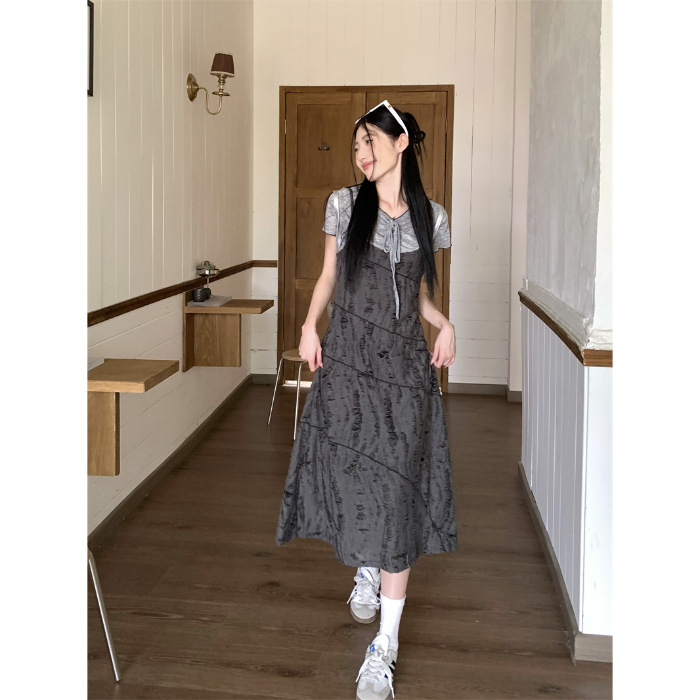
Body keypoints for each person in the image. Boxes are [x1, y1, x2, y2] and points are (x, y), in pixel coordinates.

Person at [275, 100, 457, 700]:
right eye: (356, 145)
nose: (361, 153)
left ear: (401, 142)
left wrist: (444, 323)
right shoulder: (343, 205)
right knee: (356, 475)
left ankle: (386, 645)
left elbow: (420, 295)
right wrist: (309, 326)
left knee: (399, 493)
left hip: (404, 371)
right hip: (350, 363)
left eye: (370, 141)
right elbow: (329, 277)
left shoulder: (432, 217)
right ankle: (366, 565)